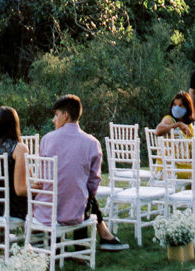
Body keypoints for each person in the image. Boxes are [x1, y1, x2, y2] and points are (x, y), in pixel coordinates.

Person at [37, 95, 128, 250]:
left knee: (76, 191)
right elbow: (93, 183)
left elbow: (42, 177)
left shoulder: (46, 139)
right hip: (74, 211)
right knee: (82, 193)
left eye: (56, 115)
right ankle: (84, 248)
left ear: (65, 116)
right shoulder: (92, 143)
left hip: (45, 211)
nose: (53, 120)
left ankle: (63, 246)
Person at [0, 106, 29, 221]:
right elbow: (20, 190)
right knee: (44, 202)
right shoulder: (19, 148)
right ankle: (36, 238)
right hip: (16, 208)